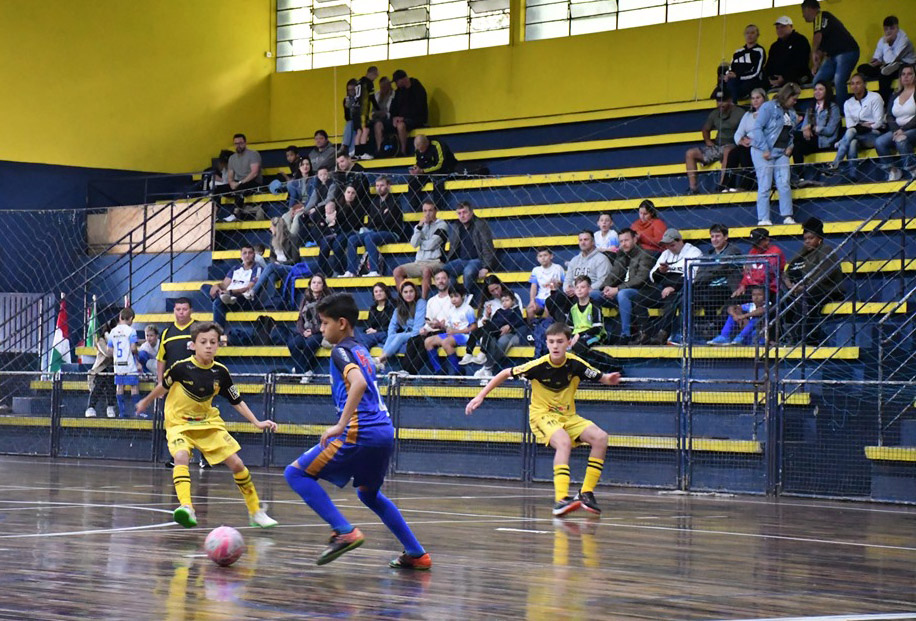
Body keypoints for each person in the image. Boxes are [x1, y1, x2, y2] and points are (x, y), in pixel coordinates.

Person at [283, 293, 431, 568]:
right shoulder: (361, 349)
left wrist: (340, 424)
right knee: (368, 493)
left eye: (324, 323)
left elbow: (359, 383)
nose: (321, 329)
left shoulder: (340, 351)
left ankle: (345, 531)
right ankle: (416, 553)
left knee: (295, 474)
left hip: (359, 430)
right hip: (384, 431)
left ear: (341, 323)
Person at [466, 322, 620, 516]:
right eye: (551, 342)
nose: (555, 346)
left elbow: (601, 377)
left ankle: (586, 493)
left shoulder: (576, 364)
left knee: (601, 437)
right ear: (546, 344)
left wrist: (609, 379)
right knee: (563, 442)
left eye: (560, 341)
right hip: (542, 416)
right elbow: (505, 372)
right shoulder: (538, 366)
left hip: (568, 417)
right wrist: (480, 396)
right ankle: (561, 499)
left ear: (569, 343)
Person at [136, 321, 278, 529]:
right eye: (203, 342)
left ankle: (255, 511)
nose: (209, 346)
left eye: (213, 342)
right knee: (181, 456)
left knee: (237, 464)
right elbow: (162, 387)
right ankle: (187, 507)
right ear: (193, 345)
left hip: (208, 423)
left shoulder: (220, 372)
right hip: (179, 423)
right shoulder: (180, 368)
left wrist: (257, 422)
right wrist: (146, 401)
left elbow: (236, 400)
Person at [782, 217, 845, 344]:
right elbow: (786, 272)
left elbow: (824, 273)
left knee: (804, 297)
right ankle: (784, 336)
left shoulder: (825, 250)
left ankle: (805, 338)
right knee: (779, 299)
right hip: (798, 289)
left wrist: (804, 287)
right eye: (805, 239)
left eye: (811, 238)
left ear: (819, 239)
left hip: (825, 289)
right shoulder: (802, 253)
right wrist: (789, 285)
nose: (807, 242)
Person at [640, 228, 703, 346]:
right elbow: (652, 276)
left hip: (683, 289)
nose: (669, 248)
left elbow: (692, 275)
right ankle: (645, 334)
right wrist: (660, 271)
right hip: (662, 287)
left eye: (672, 245)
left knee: (672, 299)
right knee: (638, 298)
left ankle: (663, 334)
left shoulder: (694, 252)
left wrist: (673, 287)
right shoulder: (665, 254)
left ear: (680, 241)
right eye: (667, 246)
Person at [751, 82, 800, 226]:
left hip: (781, 152)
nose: (795, 102)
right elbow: (758, 128)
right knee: (765, 185)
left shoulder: (792, 113)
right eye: (794, 98)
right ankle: (764, 218)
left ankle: (787, 216)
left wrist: (790, 146)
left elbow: (791, 133)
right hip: (762, 151)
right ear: (787, 96)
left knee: (784, 183)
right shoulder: (768, 107)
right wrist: (764, 148)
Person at [802, 0, 859, 108]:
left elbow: (817, 37)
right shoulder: (824, 22)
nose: (803, 16)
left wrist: (813, 52)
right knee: (818, 82)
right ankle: (827, 109)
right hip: (833, 56)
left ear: (808, 9)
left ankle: (843, 112)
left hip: (847, 52)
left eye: (803, 12)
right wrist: (816, 64)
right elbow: (822, 48)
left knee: (839, 81)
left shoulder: (820, 16)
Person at [601, 228, 654, 344]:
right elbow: (613, 275)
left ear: (635, 239)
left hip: (640, 292)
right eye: (621, 241)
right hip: (619, 291)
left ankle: (626, 335)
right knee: (593, 295)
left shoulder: (644, 255)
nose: (623, 244)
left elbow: (640, 279)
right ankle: (597, 334)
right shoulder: (621, 256)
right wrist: (604, 288)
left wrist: (617, 289)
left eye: (626, 240)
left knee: (623, 294)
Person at [345, 176, 404, 278]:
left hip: (392, 232)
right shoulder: (374, 202)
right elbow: (372, 222)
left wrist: (378, 217)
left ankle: (374, 270)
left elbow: (388, 221)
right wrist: (382, 215)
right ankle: (351, 271)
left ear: (388, 186)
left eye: (382, 185)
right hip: (375, 231)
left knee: (369, 238)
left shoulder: (395, 201)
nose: (379, 188)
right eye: (377, 186)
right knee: (352, 239)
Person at [685, 93, 744, 195]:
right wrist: (708, 141)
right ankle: (693, 188)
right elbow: (705, 129)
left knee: (727, 151)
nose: (720, 104)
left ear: (730, 100)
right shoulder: (715, 113)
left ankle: (722, 186)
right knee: (690, 153)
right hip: (717, 146)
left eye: (723, 101)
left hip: (733, 145)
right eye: (718, 101)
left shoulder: (740, 113)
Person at [545, 231, 611, 322]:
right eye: (580, 240)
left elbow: (603, 280)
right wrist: (567, 289)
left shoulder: (601, 259)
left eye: (586, 239)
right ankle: (565, 326)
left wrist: (580, 290)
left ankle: (573, 326)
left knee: (579, 297)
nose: (583, 242)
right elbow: (567, 279)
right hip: (573, 292)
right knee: (551, 300)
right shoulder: (574, 260)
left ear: (593, 242)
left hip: (590, 292)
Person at [691, 224, 743, 337]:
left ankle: (713, 328)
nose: (714, 239)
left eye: (718, 236)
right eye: (712, 236)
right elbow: (700, 274)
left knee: (707, 295)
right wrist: (711, 271)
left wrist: (709, 271)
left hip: (727, 288)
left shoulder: (733, 250)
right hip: (708, 286)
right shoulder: (708, 254)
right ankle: (687, 331)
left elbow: (721, 268)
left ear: (726, 237)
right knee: (686, 295)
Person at [829, 74, 885, 176]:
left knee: (851, 133)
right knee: (852, 142)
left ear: (865, 84)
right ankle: (853, 175)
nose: (855, 86)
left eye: (858, 83)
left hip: (874, 134)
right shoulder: (848, 103)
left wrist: (861, 126)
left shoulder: (875, 97)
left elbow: (878, 123)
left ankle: (836, 162)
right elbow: (850, 126)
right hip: (856, 135)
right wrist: (862, 126)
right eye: (852, 84)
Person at [393, 199, 449, 298]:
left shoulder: (442, 225)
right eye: (425, 211)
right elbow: (414, 244)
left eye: (430, 210)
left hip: (435, 262)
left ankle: (423, 300)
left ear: (435, 211)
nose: (427, 214)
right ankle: (404, 299)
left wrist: (421, 242)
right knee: (397, 271)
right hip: (418, 262)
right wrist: (419, 227)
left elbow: (432, 244)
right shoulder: (419, 226)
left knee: (426, 270)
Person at [443, 202, 496, 304]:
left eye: (464, 212)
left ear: (471, 212)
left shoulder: (480, 224)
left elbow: (487, 246)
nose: (462, 216)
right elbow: (453, 247)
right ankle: (451, 298)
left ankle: (464, 300)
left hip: (477, 260)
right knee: (445, 270)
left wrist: (486, 267)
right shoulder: (456, 226)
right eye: (459, 213)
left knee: (468, 272)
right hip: (461, 261)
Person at [857, 16, 916, 104]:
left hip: (905, 65)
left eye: (892, 29)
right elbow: (877, 58)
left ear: (897, 28)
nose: (888, 32)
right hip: (887, 66)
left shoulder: (904, 40)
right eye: (886, 29)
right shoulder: (882, 40)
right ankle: (885, 70)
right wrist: (874, 63)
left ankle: (885, 103)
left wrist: (886, 44)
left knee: (885, 75)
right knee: (862, 68)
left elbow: (891, 59)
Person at [792, 81, 841, 187]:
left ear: (827, 92)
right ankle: (801, 177)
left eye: (820, 89)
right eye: (815, 89)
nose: (817, 92)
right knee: (796, 147)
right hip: (811, 140)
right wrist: (806, 130)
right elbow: (804, 128)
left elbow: (830, 131)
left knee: (793, 135)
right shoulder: (810, 108)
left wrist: (813, 128)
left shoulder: (833, 108)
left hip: (824, 141)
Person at [567, 276, 620, 373]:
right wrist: (570, 338)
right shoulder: (573, 309)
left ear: (589, 289)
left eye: (583, 287)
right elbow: (569, 328)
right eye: (577, 287)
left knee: (579, 345)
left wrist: (579, 335)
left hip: (595, 336)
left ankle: (600, 369)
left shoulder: (594, 306)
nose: (579, 290)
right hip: (577, 337)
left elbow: (597, 328)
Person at [287, 274, 333, 383]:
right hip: (305, 331)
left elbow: (326, 320)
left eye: (319, 283)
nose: (316, 285)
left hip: (319, 331)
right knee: (293, 343)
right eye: (314, 282)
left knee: (310, 343)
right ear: (310, 285)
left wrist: (313, 331)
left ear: (323, 285)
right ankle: (306, 371)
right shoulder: (305, 299)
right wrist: (303, 331)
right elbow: (300, 319)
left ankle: (299, 371)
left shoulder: (327, 300)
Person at [423, 284, 476, 376]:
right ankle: (439, 370)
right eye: (451, 297)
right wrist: (439, 325)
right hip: (452, 334)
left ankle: (458, 370)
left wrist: (455, 332)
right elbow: (449, 326)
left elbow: (474, 327)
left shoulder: (468, 309)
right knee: (428, 341)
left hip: (464, 335)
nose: (453, 299)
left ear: (462, 296)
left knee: (446, 342)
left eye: (456, 296)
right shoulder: (451, 310)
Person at [875, 64, 916, 181]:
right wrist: (896, 130)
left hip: (912, 129)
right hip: (897, 129)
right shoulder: (895, 95)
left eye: (909, 74)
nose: (906, 77)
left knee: (901, 140)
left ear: (914, 76)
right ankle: (893, 170)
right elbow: (889, 116)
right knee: (879, 142)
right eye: (903, 74)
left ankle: (913, 169)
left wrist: (903, 130)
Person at [209, 244, 262, 331]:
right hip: (228, 294)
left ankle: (217, 333)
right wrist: (217, 286)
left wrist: (230, 292)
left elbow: (249, 287)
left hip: (244, 299)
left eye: (250, 253)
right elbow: (224, 284)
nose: (247, 255)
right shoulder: (235, 268)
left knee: (217, 303)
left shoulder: (257, 268)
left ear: (254, 255)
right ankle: (224, 297)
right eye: (245, 253)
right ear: (241, 255)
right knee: (205, 287)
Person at [722, 87, 767, 192]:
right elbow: (738, 132)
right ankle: (727, 185)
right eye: (753, 98)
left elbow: (766, 131)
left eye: (758, 98)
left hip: (760, 144)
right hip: (746, 143)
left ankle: (745, 185)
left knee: (744, 153)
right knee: (733, 153)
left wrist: (752, 141)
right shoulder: (748, 115)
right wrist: (740, 141)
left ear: (764, 99)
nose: (755, 100)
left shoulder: (767, 114)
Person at [213, 133, 264, 222]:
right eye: (236, 144)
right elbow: (230, 175)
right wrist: (231, 183)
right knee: (216, 190)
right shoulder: (232, 158)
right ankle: (214, 215)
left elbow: (254, 173)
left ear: (245, 143)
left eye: (240, 143)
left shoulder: (253, 154)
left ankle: (235, 214)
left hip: (254, 183)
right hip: (238, 183)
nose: (238, 146)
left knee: (240, 188)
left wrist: (239, 183)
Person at [376, 280, 426, 371]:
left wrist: (399, 336)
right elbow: (392, 327)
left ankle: (380, 359)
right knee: (392, 336)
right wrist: (391, 336)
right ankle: (382, 364)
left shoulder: (420, 303)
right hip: (407, 334)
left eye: (411, 291)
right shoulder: (399, 308)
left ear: (415, 292)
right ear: (401, 294)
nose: (408, 294)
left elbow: (417, 329)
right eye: (405, 292)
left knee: (399, 337)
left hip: (418, 335)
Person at [317, 185, 364, 277]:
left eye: (353, 193)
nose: (350, 195)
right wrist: (328, 219)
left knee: (337, 244)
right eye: (348, 192)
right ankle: (324, 272)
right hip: (336, 231)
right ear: (344, 193)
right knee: (324, 244)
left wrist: (335, 220)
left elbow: (352, 224)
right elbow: (322, 216)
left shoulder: (359, 207)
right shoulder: (336, 205)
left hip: (351, 231)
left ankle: (339, 271)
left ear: (356, 195)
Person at [732, 227, 786, 303]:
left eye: (757, 243)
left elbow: (765, 275)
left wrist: (751, 280)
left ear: (767, 240)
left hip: (769, 288)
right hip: (752, 287)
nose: (755, 246)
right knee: (732, 302)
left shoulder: (775, 252)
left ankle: (744, 315)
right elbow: (747, 272)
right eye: (753, 243)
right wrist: (743, 285)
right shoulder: (753, 251)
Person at [108, 308, 143, 419]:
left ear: (120, 317)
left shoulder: (112, 332)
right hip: (129, 363)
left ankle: (122, 412)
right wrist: (137, 353)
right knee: (134, 386)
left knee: (119, 386)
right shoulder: (131, 331)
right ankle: (138, 412)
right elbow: (133, 348)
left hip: (118, 364)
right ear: (131, 319)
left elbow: (109, 350)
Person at [407, 135, 458, 212]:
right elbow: (419, 162)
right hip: (426, 171)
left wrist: (423, 171)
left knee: (438, 181)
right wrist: (415, 169)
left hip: (443, 170)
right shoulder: (418, 149)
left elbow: (440, 164)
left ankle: (438, 209)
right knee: (412, 182)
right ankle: (415, 210)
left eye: (421, 149)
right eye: (418, 150)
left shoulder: (437, 144)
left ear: (426, 144)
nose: (420, 152)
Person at [387, 69, 429, 157]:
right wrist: (394, 118)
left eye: (397, 82)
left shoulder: (417, 88)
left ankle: (403, 150)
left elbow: (420, 107)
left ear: (403, 80)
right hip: (403, 119)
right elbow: (393, 108)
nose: (396, 84)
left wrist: (403, 118)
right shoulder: (398, 92)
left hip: (416, 119)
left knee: (401, 125)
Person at [722, 25, 767, 103]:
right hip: (736, 82)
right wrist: (728, 75)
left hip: (751, 81)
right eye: (747, 33)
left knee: (734, 85)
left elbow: (756, 72)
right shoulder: (738, 51)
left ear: (757, 35)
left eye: (752, 33)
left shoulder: (759, 50)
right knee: (724, 84)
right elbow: (731, 68)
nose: (749, 35)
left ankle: (734, 108)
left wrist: (738, 76)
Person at [765, 16, 812, 89]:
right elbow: (769, 66)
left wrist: (784, 78)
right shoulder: (775, 46)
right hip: (777, 82)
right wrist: (770, 79)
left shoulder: (800, 40)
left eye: (783, 27)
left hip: (797, 79)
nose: (780, 30)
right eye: (777, 28)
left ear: (791, 26)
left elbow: (801, 63)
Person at [85, 317, 117, 419]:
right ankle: (91, 407)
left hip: (116, 370)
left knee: (109, 375)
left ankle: (110, 406)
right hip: (100, 370)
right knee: (104, 376)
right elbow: (108, 353)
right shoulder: (101, 340)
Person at [527, 247, 566, 322]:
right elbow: (533, 286)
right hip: (540, 298)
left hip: (552, 297)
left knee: (548, 309)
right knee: (530, 309)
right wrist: (532, 300)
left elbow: (564, 283)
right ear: (537, 258)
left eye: (545, 255)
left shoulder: (558, 268)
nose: (543, 258)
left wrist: (558, 283)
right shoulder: (536, 270)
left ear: (551, 256)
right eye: (540, 256)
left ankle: (548, 329)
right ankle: (530, 329)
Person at [357, 282, 394, 350]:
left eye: (381, 291)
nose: (378, 293)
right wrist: (368, 330)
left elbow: (394, 326)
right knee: (360, 337)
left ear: (386, 292)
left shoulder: (393, 306)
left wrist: (377, 330)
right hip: (375, 335)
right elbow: (368, 325)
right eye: (376, 292)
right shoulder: (373, 309)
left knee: (363, 339)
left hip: (387, 333)